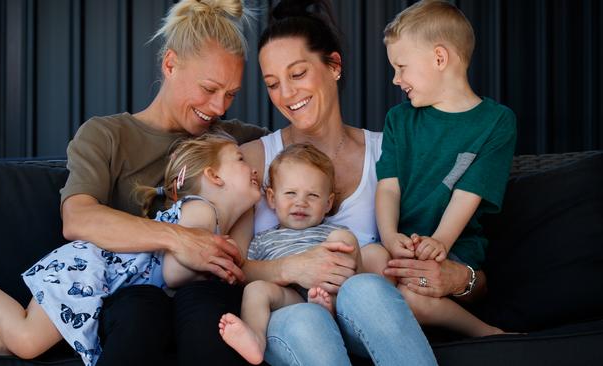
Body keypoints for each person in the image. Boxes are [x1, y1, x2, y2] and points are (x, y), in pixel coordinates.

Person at [0, 1, 264, 365]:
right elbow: (78, 218)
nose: (220, 106)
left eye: (231, 94)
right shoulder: (107, 135)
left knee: (203, 309)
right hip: (127, 303)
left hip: (202, 307)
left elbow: (305, 154)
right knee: (141, 312)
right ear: (170, 64)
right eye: (209, 88)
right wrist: (179, 238)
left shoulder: (233, 143)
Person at [234, 0, 439, 364]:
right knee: (306, 320)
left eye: (297, 74)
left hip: (367, 314)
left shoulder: (385, 152)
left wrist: (461, 277)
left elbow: (428, 256)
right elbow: (232, 267)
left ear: (334, 66)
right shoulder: (254, 159)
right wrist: (292, 268)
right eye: (272, 84)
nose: (286, 94)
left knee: (367, 291)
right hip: (292, 313)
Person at [0, 132, 262, 365]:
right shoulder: (202, 210)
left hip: (97, 275)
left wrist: (243, 223)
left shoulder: (214, 218)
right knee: (25, 340)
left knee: (10, 345)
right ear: (213, 176)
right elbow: (173, 271)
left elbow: (238, 260)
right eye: (240, 158)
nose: (251, 166)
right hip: (90, 271)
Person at [367, 0, 517, 337]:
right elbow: (388, 186)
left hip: (455, 247)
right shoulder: (399, 120)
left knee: (411, 296)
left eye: (401, 67)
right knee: (371, 258)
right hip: (401, 245)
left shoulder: (495, 122)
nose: (395, 79)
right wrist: (390, 236)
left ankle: (484, 333)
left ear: (439, 58)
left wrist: (441, 241)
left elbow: (469, 192)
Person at [219, 143, 361, 365]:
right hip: (288, 299)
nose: (300, 202)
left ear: (328, 203)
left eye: (313, 195)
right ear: (272, 198)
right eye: (291, 193)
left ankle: (329, 307)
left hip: (329, 291)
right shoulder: (263, 240)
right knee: (256, 289)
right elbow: (247, 272)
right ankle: (255, 338)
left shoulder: (332, 232)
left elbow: (349, 266)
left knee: (344, 242)